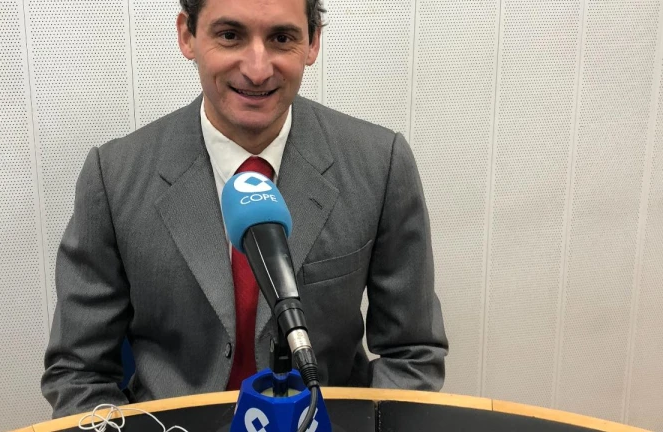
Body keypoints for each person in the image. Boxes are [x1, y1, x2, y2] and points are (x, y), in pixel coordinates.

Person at [41, 0, 448, 419]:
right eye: (230, 35)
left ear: (313, 42)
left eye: (281, 38)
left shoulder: (380, 164)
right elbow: (79, 372)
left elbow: (413, 352)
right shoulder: (114, 176)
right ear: (187, 35)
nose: (257, 70)